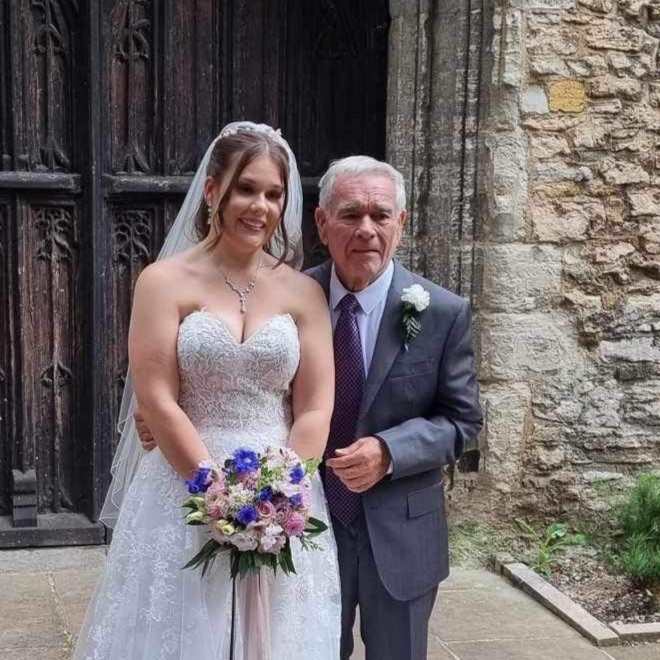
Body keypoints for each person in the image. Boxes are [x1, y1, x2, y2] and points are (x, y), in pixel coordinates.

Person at [138, 154, 483, 659]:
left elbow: (463, 420)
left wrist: (390, 451)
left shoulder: (443, 312)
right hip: (299, 520)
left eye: (380, 215)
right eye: (350, 215)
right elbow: (223, 375)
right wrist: (162, 412)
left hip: (400, 531)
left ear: (401, 223)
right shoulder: (290, 291)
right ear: (321, 223)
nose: (366, 230)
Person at [73, 122, 341, 660]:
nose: (260, 207)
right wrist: (216, 495)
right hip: (182, 483)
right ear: (213, 190)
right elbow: (156, 397)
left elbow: (315, 405)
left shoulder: (304, 292)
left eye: (273, 194)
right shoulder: (163, 281)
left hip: (280, 491)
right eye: (246, 189)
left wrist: (280, 494)